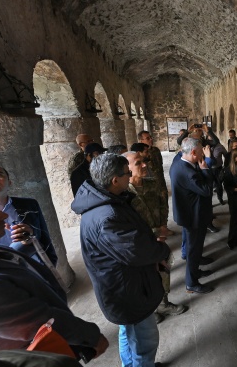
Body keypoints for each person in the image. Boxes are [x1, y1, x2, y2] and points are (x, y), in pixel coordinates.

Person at [0, 192, 108, 359]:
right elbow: (40, 322)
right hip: (39, 357)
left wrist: (26, 241)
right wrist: (91, 337)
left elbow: (5, 263)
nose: (3, 214)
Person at [71, 154, 170, 367]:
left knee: (129, 331)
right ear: (115, 180)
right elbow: (135, 251)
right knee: (145, 340)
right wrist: (161, 251)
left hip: (123, 285)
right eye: (127, 173)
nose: (131, 175)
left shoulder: (106, 201)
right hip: (127, 291)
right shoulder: (107, 216)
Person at [124, 151, 186, 324]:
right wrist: (156, 233)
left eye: (144, 161)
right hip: (140, 244)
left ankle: (162, 303)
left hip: (158, 238)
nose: (144, 165)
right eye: (138, 163)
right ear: (126, 168)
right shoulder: (123, 195)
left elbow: (162, 204)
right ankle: (147, 309)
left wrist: (163, 226)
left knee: (163, 269)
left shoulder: (152, 183)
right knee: (143, 275)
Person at [0, 164, 57, 266]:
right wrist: (21, 245)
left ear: (9, 182)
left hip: (37, 268)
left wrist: (50, 261)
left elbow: (43, 236)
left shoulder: (29, 204)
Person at [169, 137, 215, 294]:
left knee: (194, 248)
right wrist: (206, 170)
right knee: (193, 250)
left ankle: (196, 270)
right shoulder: (188, 172)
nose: (203, 153)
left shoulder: (180, 162)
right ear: (194, 152)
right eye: (202, 150)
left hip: (189, 213)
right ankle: (191, 283)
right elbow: (207, 190)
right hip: (193, 217)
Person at [138, 130, 168, 201]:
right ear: (141, 141)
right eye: (148, 138)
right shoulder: (139, 154)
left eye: (150, 137)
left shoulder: (156, 150)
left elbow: (160, 167)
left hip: (161, 183)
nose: (151, 139)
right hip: (149, 185)